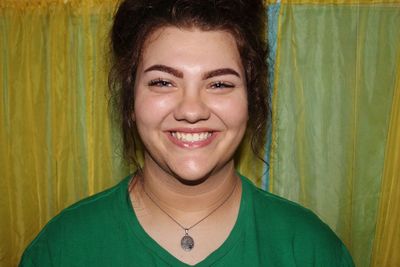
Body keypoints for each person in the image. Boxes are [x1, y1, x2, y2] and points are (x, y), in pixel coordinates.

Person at [19, 0, 355, 266]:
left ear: (251, 100)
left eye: (220, 83)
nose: (191, 110)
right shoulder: (62, 248)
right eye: (163, 82)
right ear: (130, 99)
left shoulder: (312, 249)